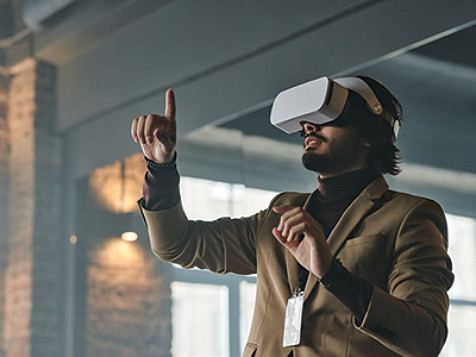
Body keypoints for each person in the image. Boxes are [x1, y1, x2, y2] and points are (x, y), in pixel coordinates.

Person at [131, 76, 454, 357]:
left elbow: (425, 339)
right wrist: (161, 168)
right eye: (306, 120)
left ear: (369, 134)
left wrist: (330, 272)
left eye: (329, 115)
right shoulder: (280, 213)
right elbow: (177, 245)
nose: (308, 127)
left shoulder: (410, 216)